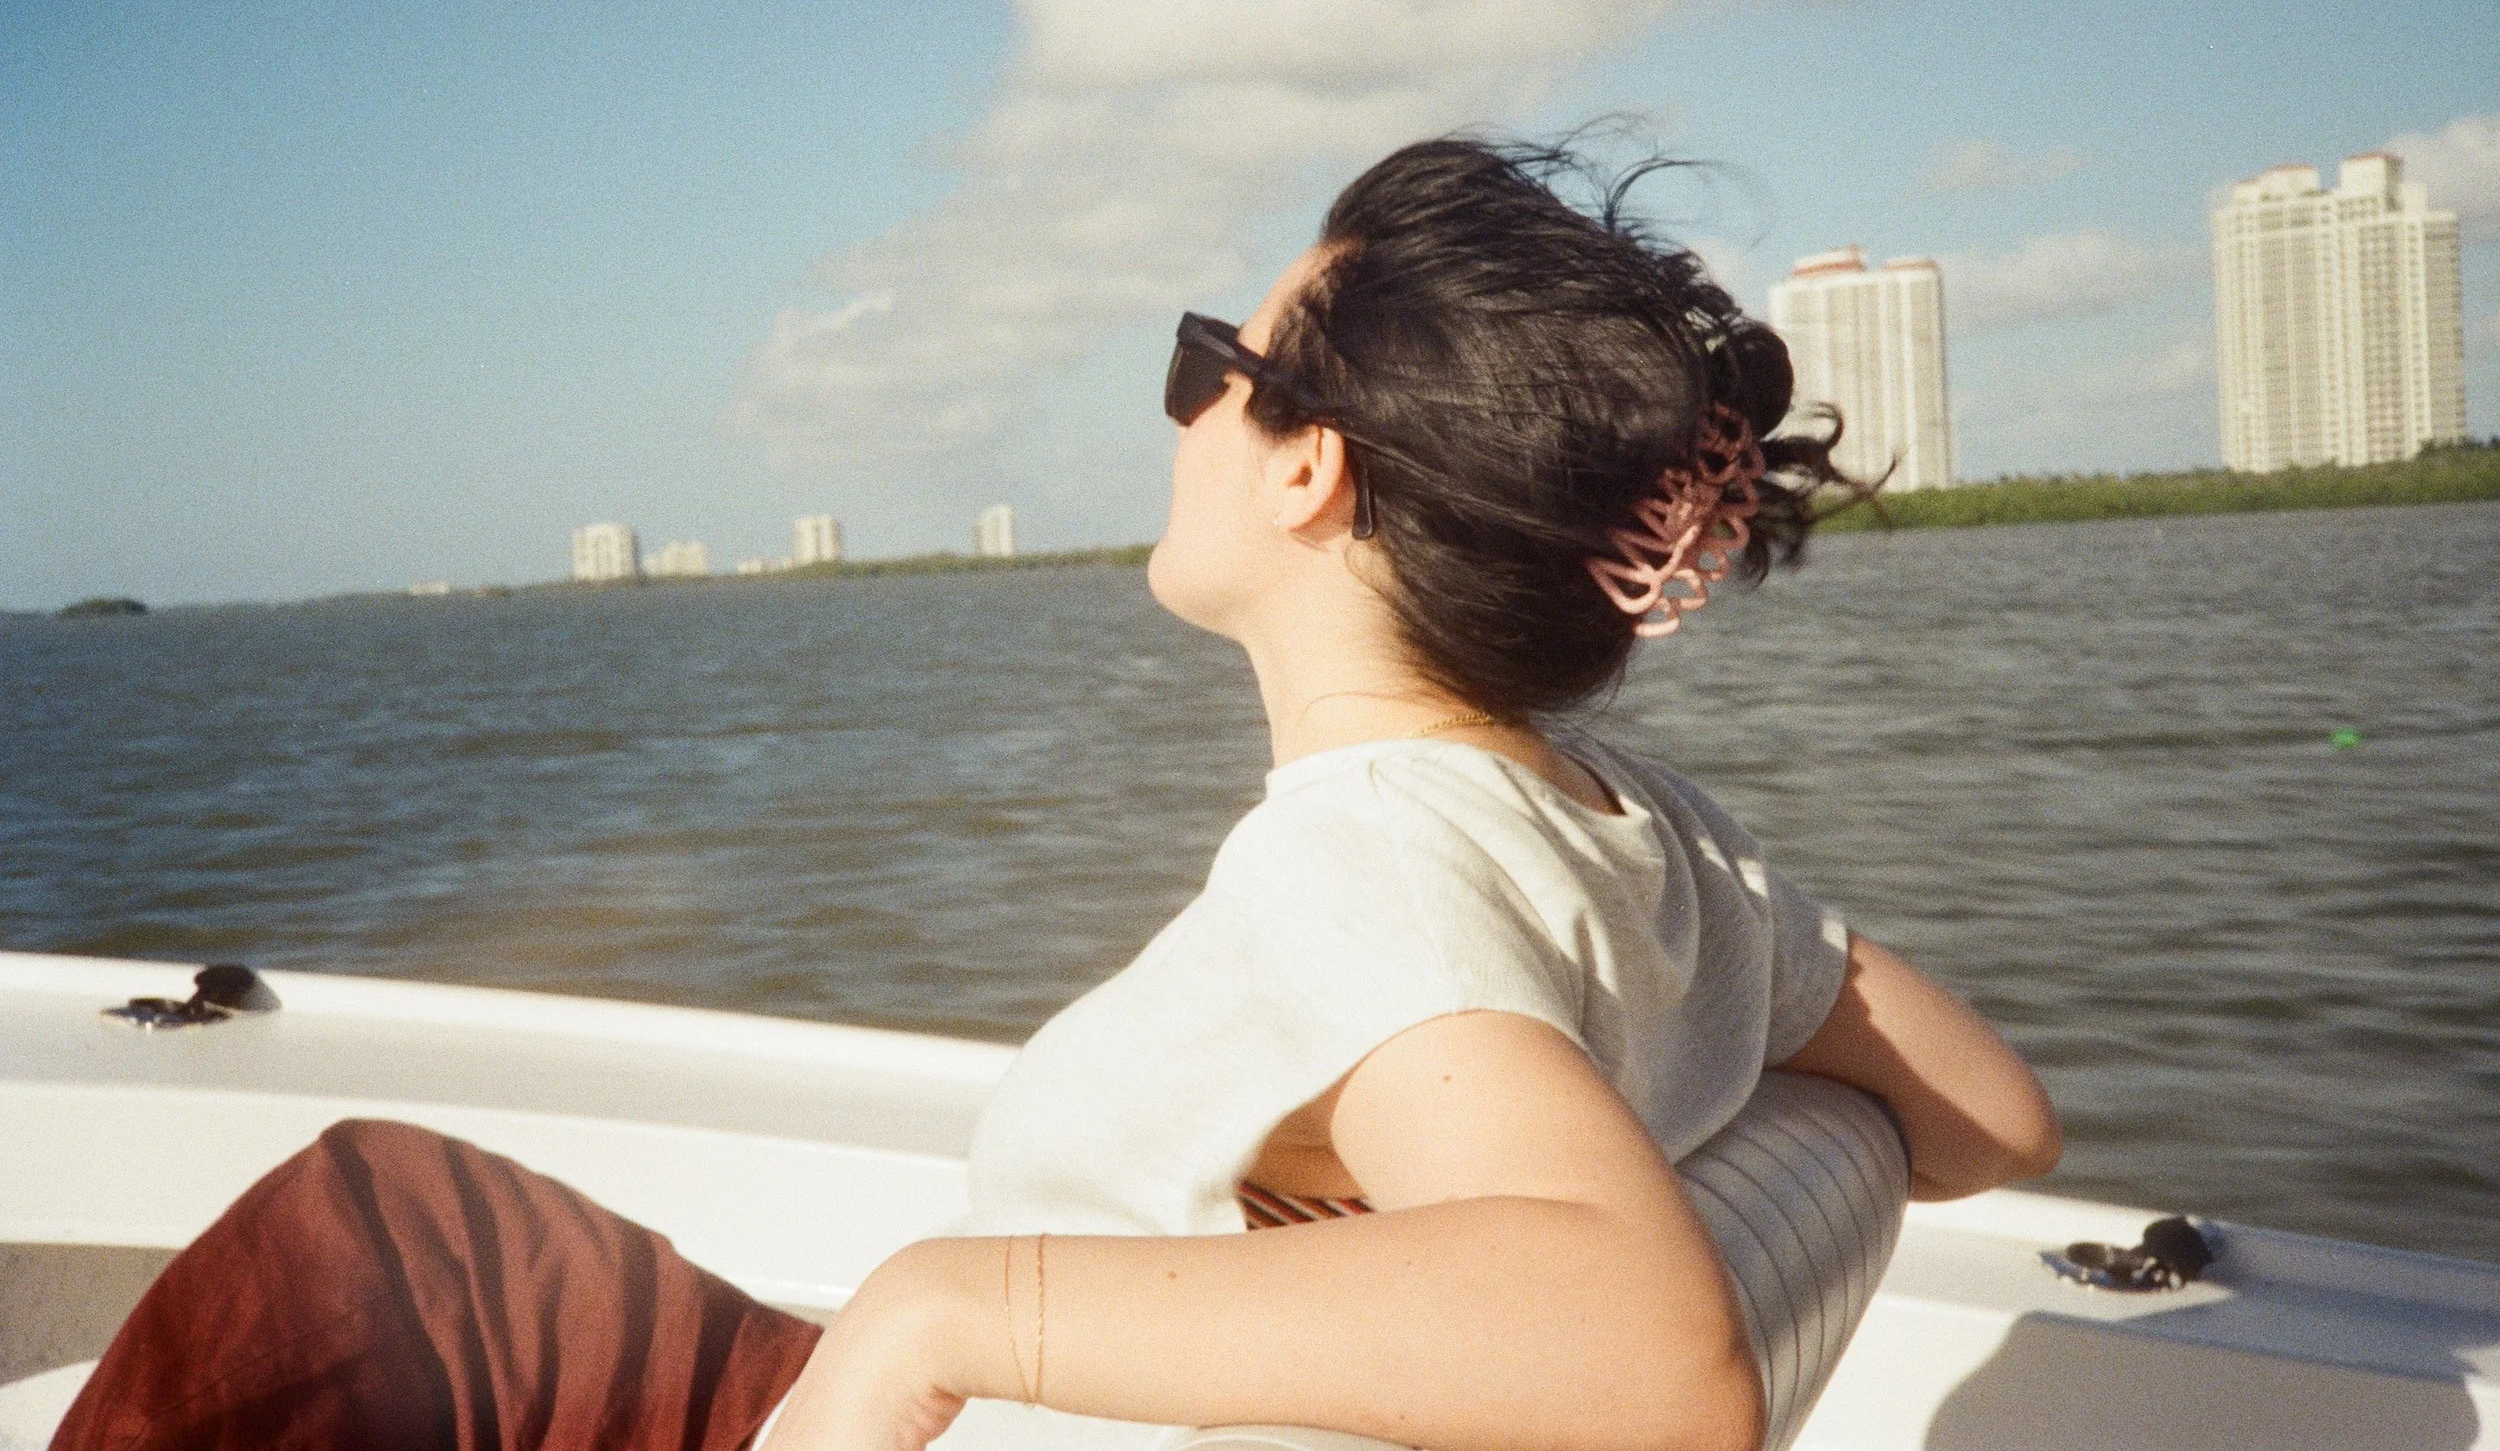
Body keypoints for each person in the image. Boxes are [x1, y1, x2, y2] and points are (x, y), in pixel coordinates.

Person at [57, 137, 2060, 1451]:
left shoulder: (1359, 861)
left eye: (1217, 354)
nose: (1182, 399)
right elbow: (1986, 1118)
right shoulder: (1645, 836)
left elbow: (1644, 1355)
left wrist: (951, 1310)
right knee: (426, 1219)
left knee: (370, 1244)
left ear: (1306, 472)